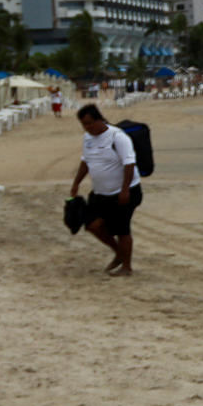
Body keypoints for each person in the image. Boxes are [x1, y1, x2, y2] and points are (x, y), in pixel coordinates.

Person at [71, 104, 142, 277]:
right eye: (84, 125)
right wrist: (76, 183)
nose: (87, 128)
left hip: (124, 192)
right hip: (100, 193)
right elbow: (85, 161)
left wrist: (124, 190)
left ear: (99, 119)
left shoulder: (118, 137)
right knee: (91, 225)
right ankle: (119, 253)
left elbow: (129, 163)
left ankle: (127, 267)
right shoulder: (87, 138)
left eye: (89, 123)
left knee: (122, 229)